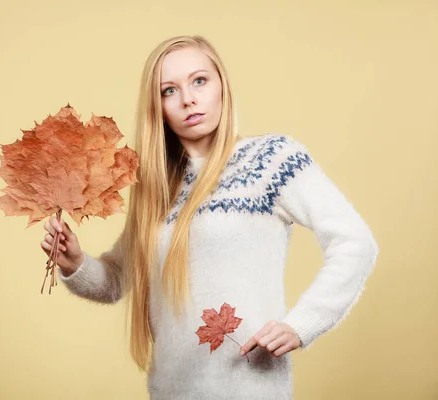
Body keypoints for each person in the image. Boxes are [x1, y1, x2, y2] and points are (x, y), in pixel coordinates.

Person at [40, 35, 379, 400]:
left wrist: (301, 325)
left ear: (222, 86)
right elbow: (117, 281)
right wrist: (74, 262)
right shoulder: (157, 188)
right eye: (169, 90)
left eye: (199, 81)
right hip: (170, 390)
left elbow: (355, 243)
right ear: (158, 108)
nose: (188, 99)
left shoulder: (273, 159)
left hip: (250, 388)